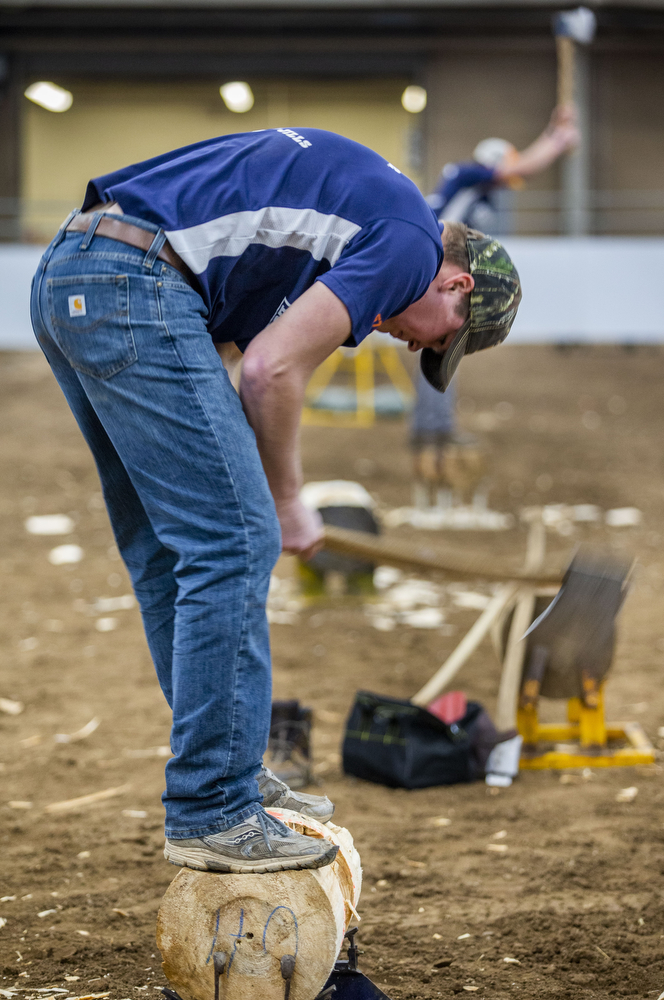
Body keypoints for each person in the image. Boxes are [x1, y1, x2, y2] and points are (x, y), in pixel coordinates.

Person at [30, 127, 521, 875]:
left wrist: (247, 482)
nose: (411, 346)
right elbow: (268, 371)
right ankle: (214, 806)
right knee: (235, 539)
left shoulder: (350, 220)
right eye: (438, 343)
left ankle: (228, 770)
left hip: (78, 273)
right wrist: (287, 502)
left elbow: (227, 369)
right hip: (132, 283)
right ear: (457, 287)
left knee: (177, 545)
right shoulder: (411, 244)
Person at [410, 106, 579, 501]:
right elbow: (523, 168)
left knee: (442, 344)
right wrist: (557, 140)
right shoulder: (470, 175)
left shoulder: (469, 188)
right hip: (427, 269)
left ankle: (433, 425)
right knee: (442, 342)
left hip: (428, 268)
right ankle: (434, 427)